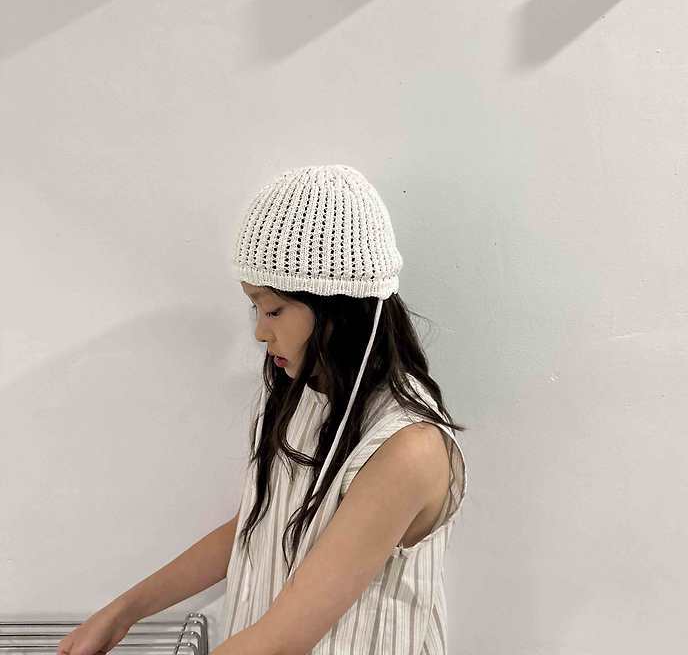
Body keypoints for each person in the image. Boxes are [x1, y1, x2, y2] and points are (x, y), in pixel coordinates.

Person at [56, 164, 469, 655]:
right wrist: (123, 611)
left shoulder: (407, 449)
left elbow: (284, 639)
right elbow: (256, 528)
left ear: (340, 307)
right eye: (255, 308)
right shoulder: (305, 395)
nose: (259, 331)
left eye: (273, 309)